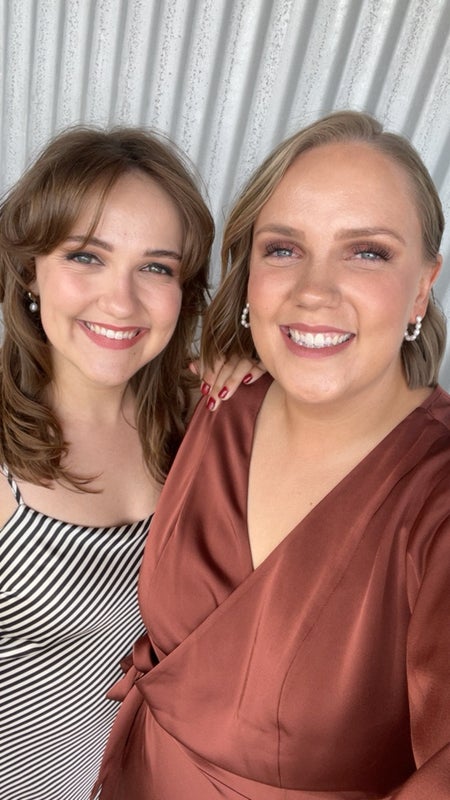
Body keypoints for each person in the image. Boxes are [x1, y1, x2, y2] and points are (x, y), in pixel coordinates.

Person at [93, 110, 450, 799]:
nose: (313, 291)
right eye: (283, 249)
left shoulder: (435, 493)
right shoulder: (217, 404)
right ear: (250, 273)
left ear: (421, 287)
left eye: (367, 252)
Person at [0, 125, 261, 800]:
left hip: (115, 775)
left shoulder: (194, 417)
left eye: (156, 267)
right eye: (87, 256)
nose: (121, 301)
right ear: (30, 271)